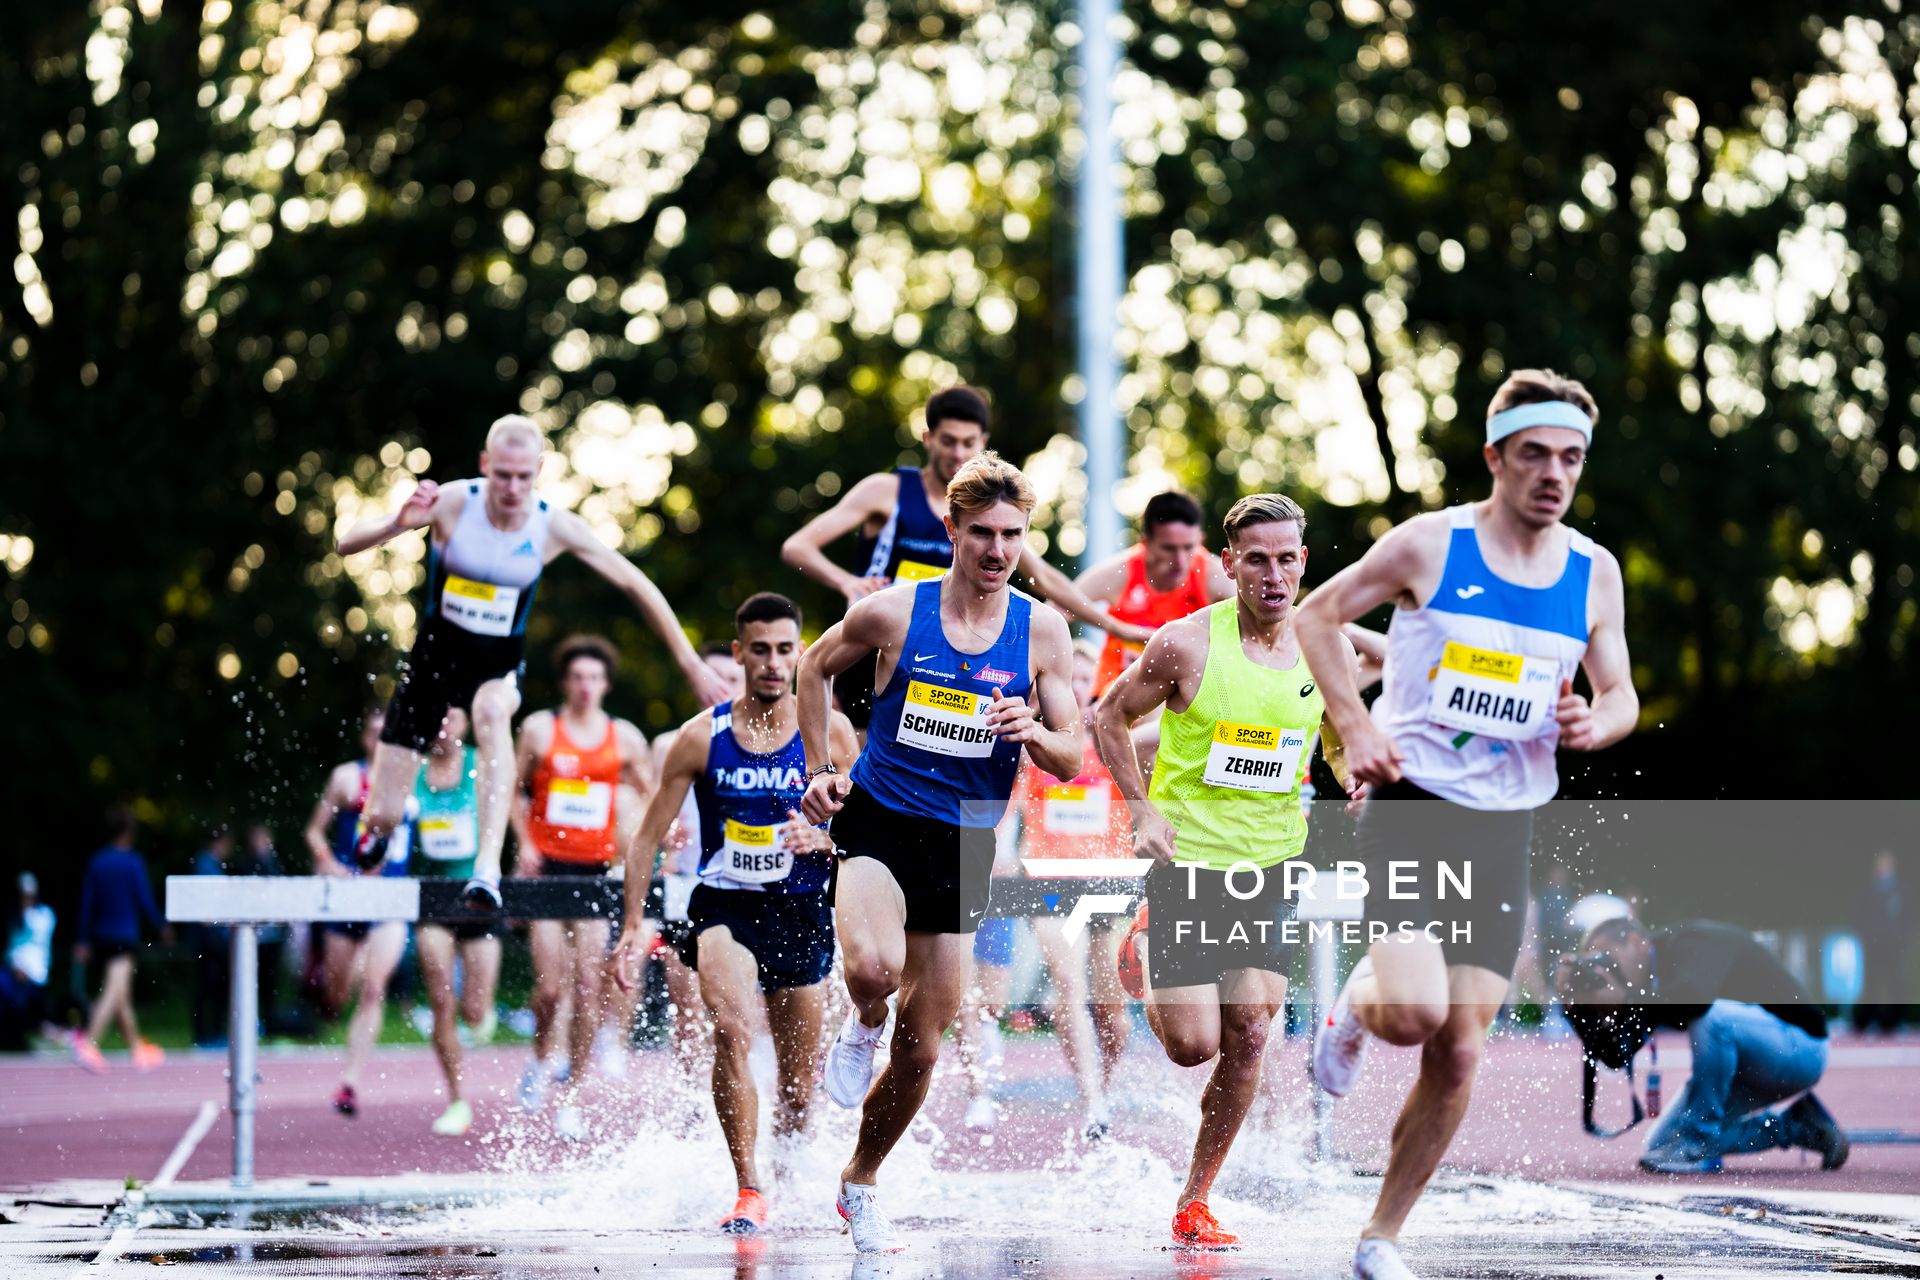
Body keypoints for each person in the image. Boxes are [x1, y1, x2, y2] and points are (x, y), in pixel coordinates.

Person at [1296, 369, 1639, 1280]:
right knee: (1414, 1012)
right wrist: (1358, 725)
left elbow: (1620, 694)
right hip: (1414, 806)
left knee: (1459, 1050)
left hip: (1508, 823)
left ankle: (1381, 1239)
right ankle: (1353, 1012)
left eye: (1571, 458)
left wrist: (1594, 724)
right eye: (1535, 455)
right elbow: (1317, 616)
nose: (1554, 474)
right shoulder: (1429, 547)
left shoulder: (1592, 573)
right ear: (1495, 457)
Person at [796, 452, 1083, 1254]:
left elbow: (1068, 752)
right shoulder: (894, 611)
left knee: (923, 1048)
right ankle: (860, 1022)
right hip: (881, 820)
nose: (998, 551)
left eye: (1014, 537)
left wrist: (1033, 731)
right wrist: (822, 772)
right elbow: (813, 670)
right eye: (983, 533)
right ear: (952, 528)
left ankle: (860, 1180)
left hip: (963, 843)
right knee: (873, 970)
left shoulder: (1043, 631)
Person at [1093, 493, 1357, 1251]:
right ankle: (1143, 943)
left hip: (1268, 867)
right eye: (1258, 560)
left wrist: (1355, 773)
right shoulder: (1185, 645)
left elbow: (1339, 735)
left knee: (1249, 1031)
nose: (1274, 575)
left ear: (1303, 562)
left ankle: (1195, 1200)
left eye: (1287, 559)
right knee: (1192, 1046)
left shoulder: (1324, 647)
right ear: (1231, 565)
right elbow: (1108, 716)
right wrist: (1142, 809)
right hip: (1188, 864)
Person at [336, 413, 730, 910]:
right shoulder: (456, 501)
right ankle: (375, 836)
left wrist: (690, 662)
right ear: (485, 465)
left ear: (540, 470)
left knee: (494, 711)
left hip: (496, 663)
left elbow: (636, 583)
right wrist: (397, 524)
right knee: (385, 816)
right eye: (502, 474)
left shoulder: (552, 526)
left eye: (524, 476)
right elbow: (345, 542)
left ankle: (485, 869)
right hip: (434, 659)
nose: (512, 487)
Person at [614, 592, 860, 1234]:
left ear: (801, 655)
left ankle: (787, 1161)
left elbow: (870, 830)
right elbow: (645, 838)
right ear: (739, 655)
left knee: (800, 1088)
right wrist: (628, 929)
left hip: (803, 907)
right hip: (724, 905)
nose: (774, 664)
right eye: (761, 651)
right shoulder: (701, 738)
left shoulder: (830, 731)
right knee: (728, 1028)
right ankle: (749, 1187)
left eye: (786, 650)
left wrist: (829, 842)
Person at [780, 385, 1150, 731]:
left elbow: (1046, 579)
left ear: (983, 443)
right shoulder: (888, 492)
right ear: (928, 439)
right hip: (877, 649)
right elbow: (797, 547)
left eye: (968, 443)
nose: (958, 454)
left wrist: (1117, 628)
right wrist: (846, 580)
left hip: (945, 656)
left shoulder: (992, 516)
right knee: (864, 757)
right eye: (948, 442)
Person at [964, 642, 1134, 1139]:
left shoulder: (1113, 737)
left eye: (1085, 679)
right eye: (1069, 679)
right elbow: (1005, 810)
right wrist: (993, 852)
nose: (1077, 687)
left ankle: (1101, 1089)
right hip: (1049, 882)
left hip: (1111, 884)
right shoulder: (1030, 745)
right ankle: (1094, 1106)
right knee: (1069, 984)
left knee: (1115, 1017)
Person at [1557, 916, 1850, 1174]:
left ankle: (1698, 1141)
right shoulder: (1643, 987)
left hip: (1799, 1046)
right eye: (1596, 965)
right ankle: (1799, 1126)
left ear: (1636, 941)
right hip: (1746, 1067)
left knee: (1712, 1018)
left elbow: (1695, 999)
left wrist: (1625, 1001)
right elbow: (1615, 1056)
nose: (1606, 970)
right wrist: (1577, 1012)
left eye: (1607, 958)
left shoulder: (1692, 940)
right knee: (1662, 1145)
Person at [511, 635, 655, 1141]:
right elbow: (511, 788)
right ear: (565, 683)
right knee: (551, 989)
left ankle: (571, 1092)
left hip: (596, 874)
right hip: (548, 872)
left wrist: (657, 830)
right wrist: (524, 842)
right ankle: (539, 1058)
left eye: (594, 677)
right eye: (576, 677)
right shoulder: (540, 730)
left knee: (590, 987)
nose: (585, 686)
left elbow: (657, 791)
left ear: (606, 683)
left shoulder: (625, 738)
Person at [303, 707, 414, 1117]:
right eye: (373, 733)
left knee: (373, 988)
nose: (380, 740)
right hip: (350, 898)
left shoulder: (412, 779)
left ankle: (350, 1081)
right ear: (364, 739)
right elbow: (314, 830)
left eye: (388, 733)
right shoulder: (347, 777)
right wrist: (329, 862)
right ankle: (325, 990)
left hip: (391, 901)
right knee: (336, 995)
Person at [407, 708, 501, 1136]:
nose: (443, 729)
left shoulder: (480, 765)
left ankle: (481, 1015)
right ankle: (457, 1099)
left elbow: (504, 813)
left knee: (475, 1009)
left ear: (466, 724)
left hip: (477, 896)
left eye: (451, 720)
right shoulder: (412, 770)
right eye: (437, 720)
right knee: (440, 997)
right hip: (433, 897)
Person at [72, 808, 169, 1073]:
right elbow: (143, 899)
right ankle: (89, 1042)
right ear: (128, 833)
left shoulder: (98, 861)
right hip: (124, 935)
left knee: (122, 995)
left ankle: (136, 1049)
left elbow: (87, 903)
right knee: (114, 990)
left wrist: (82, 939)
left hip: (102, 935)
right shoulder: (132, 862)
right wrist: (161, 926)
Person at [235, 824, 296, 1038]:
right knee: (251, 980)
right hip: (254, 934)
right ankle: (251, 1023)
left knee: (271, 982)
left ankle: (270, 1023)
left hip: (273, 935)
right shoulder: (246, 864)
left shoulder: (275, 863)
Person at [1854, 852, 1910, 1034]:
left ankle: (1894, 1022)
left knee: (1895, 983)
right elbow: (1859, 916)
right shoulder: (1869, 889)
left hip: (1893, 946)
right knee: (1872, 984)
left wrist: (1901, 937)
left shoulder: (1900, 889)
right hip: (1873, 945)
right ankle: (1868, 1021)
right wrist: (1866, 936)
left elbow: (1908, 917)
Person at [189, 829, 236, 1048]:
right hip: (210, 939)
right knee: (211, 987)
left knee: (210, 987)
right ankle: (207, 1034)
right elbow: (208, 905)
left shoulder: (207, 864)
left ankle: (209, 1033)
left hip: (210, 937)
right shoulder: (207, 865)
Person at [2, 873, 58, 1050]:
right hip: (15, 971)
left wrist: (25, 969)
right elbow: (13, 947)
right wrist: (15, 965)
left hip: (34, 973)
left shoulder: (44, 915)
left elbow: (37, 944)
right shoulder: (14, 916)